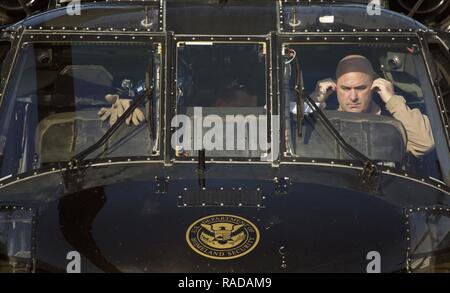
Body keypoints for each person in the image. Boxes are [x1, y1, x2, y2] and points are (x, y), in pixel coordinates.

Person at [306, 55, 434, 157]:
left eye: (361, 88)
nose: (353, 97)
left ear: (374, 86)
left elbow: (425, 143)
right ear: (335, 87)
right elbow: (292, 139)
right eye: (345, 88)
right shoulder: (321, 119)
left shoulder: (395, 121)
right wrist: (314, 100)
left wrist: (392, 100)